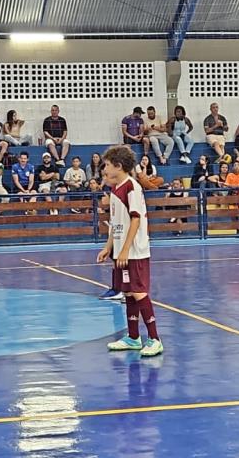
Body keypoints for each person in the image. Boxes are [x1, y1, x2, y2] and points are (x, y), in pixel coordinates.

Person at [96, 145, 162, 357]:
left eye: (106, 165)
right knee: (128, 293)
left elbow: (136, 219)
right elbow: (115, 223)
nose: (104, 170)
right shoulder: (115, 190)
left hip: (135, 251)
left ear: (119, 166)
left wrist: (124, 250)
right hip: (122, 251)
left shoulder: (131, 187)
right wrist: (109, 247)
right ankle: (134, 337)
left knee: (139, 291)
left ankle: (154, 339)